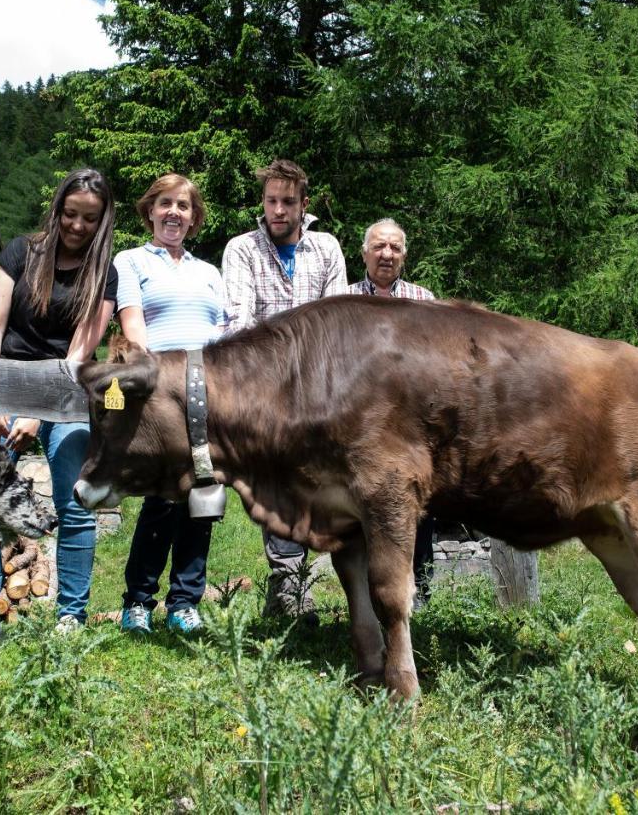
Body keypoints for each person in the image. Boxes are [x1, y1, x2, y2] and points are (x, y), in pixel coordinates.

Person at [0, 168, 118, 643]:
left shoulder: (103, 274)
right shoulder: (20, 253)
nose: (77, 226)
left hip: (64, 394)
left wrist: (42, 411)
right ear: (57, 209)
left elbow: (77, 355)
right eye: (70, 214)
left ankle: (70, 616)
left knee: (75, 496)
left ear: (102, 221)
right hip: (4, 383)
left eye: (89, 219)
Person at [221, 159, 347, 621]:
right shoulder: (242, 250)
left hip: (320, 386)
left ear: (303, 204)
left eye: (287, 202)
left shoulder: (326, 249)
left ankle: (303, 582)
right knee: (276, 482)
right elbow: (240, 321)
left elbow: (337, 317)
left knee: (319, 481)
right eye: (271, 201)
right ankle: (285, 585)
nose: (278, 210)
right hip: (267, 387)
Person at [114, 174, 227, 635]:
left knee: (202, 495)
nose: (174, 213)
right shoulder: (131, 260)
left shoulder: (209, 272)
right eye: (166, 204)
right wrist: (155, 382)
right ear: (150, 212)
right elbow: (133, 325)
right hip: (160, 394)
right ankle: (138, 600)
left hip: (206, 393)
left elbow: (222, 333)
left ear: (194, 218)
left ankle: (185, 601)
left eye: (183, 206)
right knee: (161, 498)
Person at [347, 218, 438, 606]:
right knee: (364, 509)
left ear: (404, 255)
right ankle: (370, 594)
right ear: (364, 252)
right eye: (379, 247)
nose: (386, 254)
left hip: (413, 424)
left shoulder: (425, 300)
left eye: (395, 248)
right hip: (360, 426)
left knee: (419, 504)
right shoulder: (342, 300)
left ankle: (420, 589)